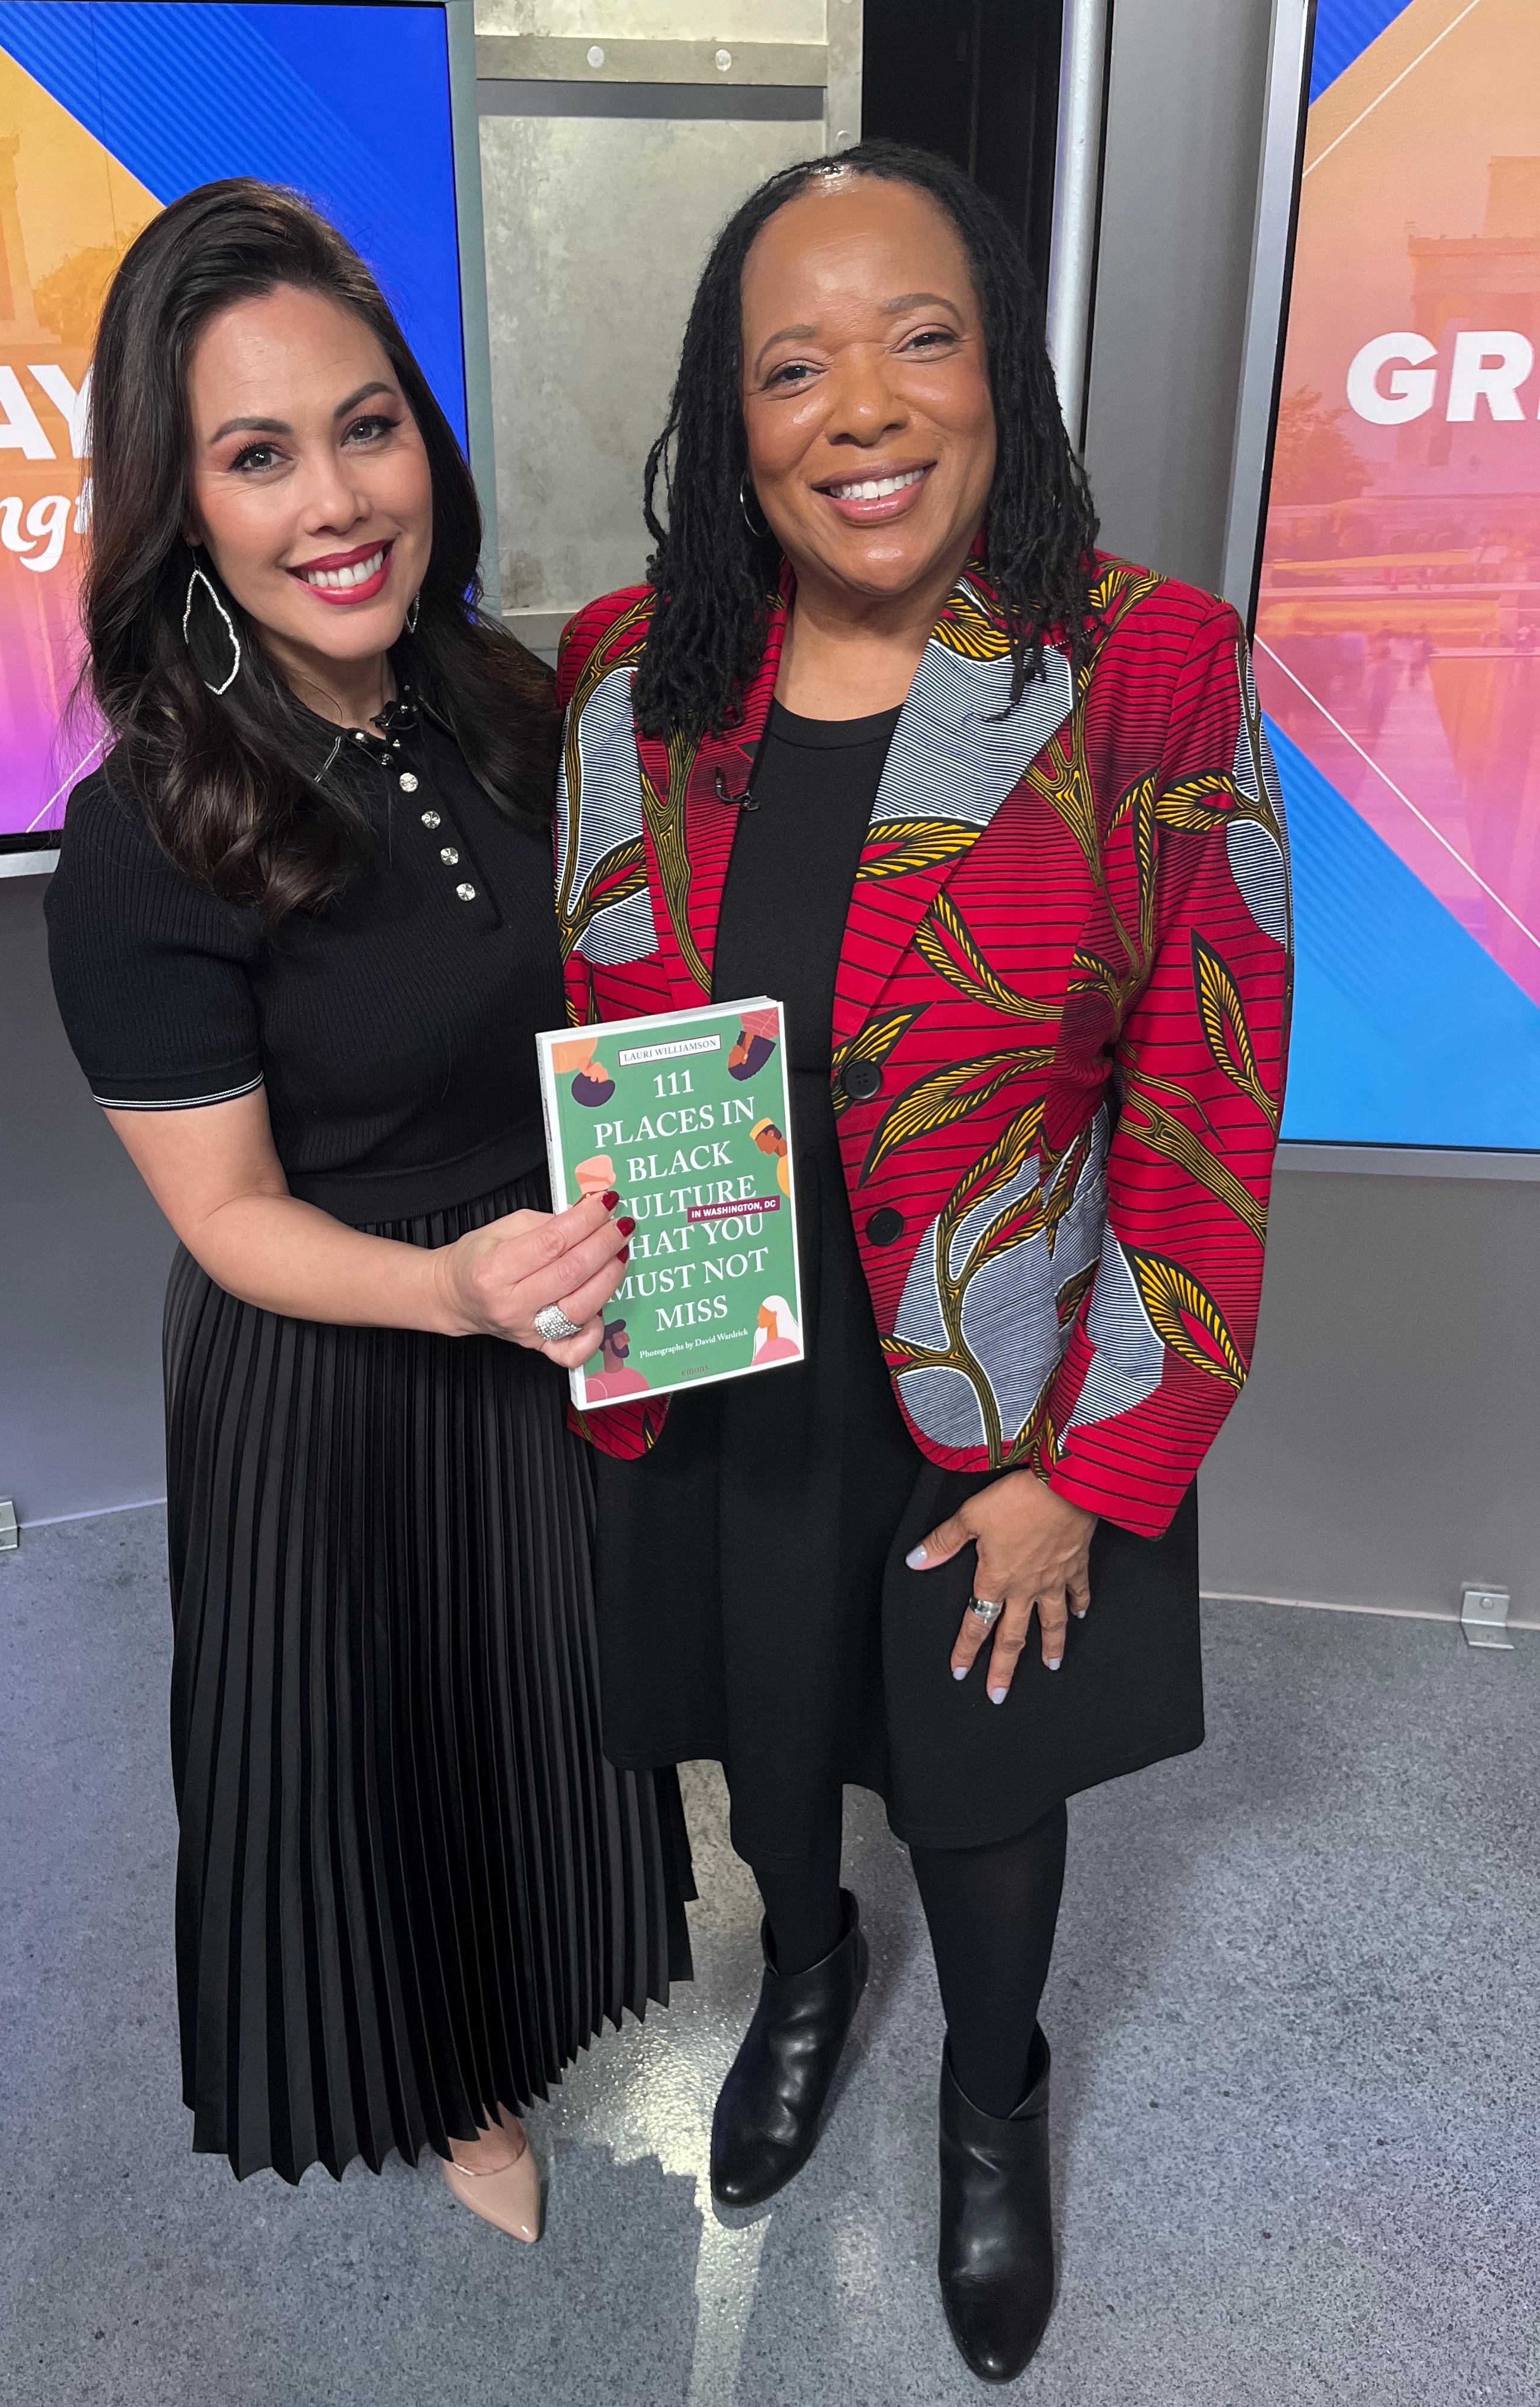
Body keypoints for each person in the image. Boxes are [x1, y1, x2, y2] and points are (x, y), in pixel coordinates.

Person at [553, 143, 1290, 2379]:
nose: (863, 407)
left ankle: (993, 2096)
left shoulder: (1149, 667)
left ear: (1003, 378)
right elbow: (595, 1018)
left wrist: (1100, 1467)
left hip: (1010, 1392)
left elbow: (1208, 1092)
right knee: (768, 1763)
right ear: (732, 415)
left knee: (979, 1793)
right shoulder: (631, 677)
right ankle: (804, 1979)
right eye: (795, 366)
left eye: (921, 339)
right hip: (735, 1370)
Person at [44, 180, 691, 2246]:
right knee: (381, 1765)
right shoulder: (146, 830)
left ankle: (540, 2006)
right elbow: (228, 1216)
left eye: (368, 426)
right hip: (338, 1368)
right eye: (258, 456)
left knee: (533, 1718)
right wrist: (451, 1291)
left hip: (539, 1307)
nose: (336, 501)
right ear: (181, 507)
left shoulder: (509, 706)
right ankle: (443, 2082)